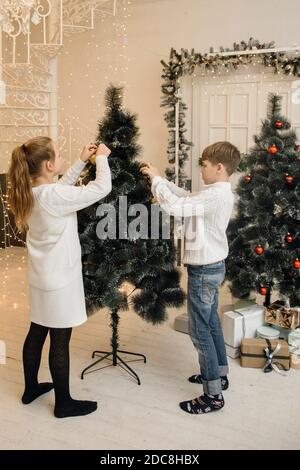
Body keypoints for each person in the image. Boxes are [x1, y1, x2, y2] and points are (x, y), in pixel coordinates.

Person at [8, 136, 112, 418]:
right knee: (60, 339)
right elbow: (102, 187)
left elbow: (59, 190)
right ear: (49, 164)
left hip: (41, 278)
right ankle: (64, 404)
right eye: (58, 153)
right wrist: (101, 157)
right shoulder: (54, 197)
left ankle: (31, 388)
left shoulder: (32, 192)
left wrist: (80, 160)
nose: (62, 156)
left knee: (38, 329)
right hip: (61, 281)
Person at [140, 141, 241, 415]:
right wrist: (161, 178)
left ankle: (213, 395)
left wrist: (156, 180)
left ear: (219, 168)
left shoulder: (215, 195)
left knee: (199, 331)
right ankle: (219, 374)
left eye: (204, 166)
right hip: (212, 267)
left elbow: (174, 207)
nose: (201, 170)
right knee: (210, 323)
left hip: (204, 271)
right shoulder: (215, 192)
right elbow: (185, 196)